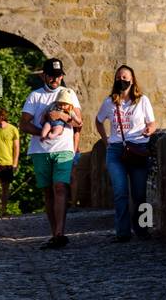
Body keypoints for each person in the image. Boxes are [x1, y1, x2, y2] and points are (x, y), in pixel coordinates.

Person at [21, 58, 83, 249]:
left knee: (59, 187)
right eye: (51, 75)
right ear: (44, 76)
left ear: (62, 76)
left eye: (58, 76)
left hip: (63, 148)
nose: (55, 79)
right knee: (48, 191)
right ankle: (54, 231)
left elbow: (79, 123)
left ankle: (60, 232)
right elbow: (24, 123)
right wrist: (42, 132)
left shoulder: (69, 94)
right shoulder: (35, 96)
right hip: (41, 150)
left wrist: (63, 116)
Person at [94, 65, 156, 243]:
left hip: (138, 149)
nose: (122, 80)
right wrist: (106, 141)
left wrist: (149, 131)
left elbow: (152, 123)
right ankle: (122, 232)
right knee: (120, 192)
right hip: (116, 151)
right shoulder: (109, 102)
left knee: (140, 194)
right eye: (119, 77)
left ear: (132, 79)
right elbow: (98, 122)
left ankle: (144, 229)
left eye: (125, 77)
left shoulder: (143, 100)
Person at [0, 107, 19, 218]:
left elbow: (16, 147)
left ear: (3, 117)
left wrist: (15, 164)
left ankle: (4, 209)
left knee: (6, 188)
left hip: (8, 163)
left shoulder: (13, 129)